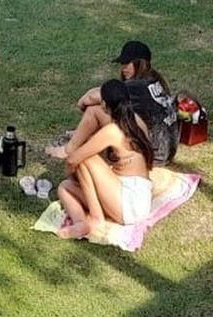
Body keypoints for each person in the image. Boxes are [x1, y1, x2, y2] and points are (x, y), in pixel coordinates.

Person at [46, 41, 179, 167]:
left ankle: (69, 149)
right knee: (114, 107)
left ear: (139, 63)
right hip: (166, 150)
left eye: (127, 63)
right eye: (122, 64)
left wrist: (82, 102)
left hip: (154, 155)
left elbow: (92, 98)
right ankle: (81, 134)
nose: (123, 68)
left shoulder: (137, 86)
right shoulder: (154, 78)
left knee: (95, 110)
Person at [56, 79, 156, 241]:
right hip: (133, 194)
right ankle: (81, 222)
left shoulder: (112, 131)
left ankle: (96, 218)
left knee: (85, 158)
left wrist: (71, 173)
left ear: (104, 105)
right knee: (65, 188)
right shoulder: (135, 121)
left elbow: (73, 160)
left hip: (131, 203)